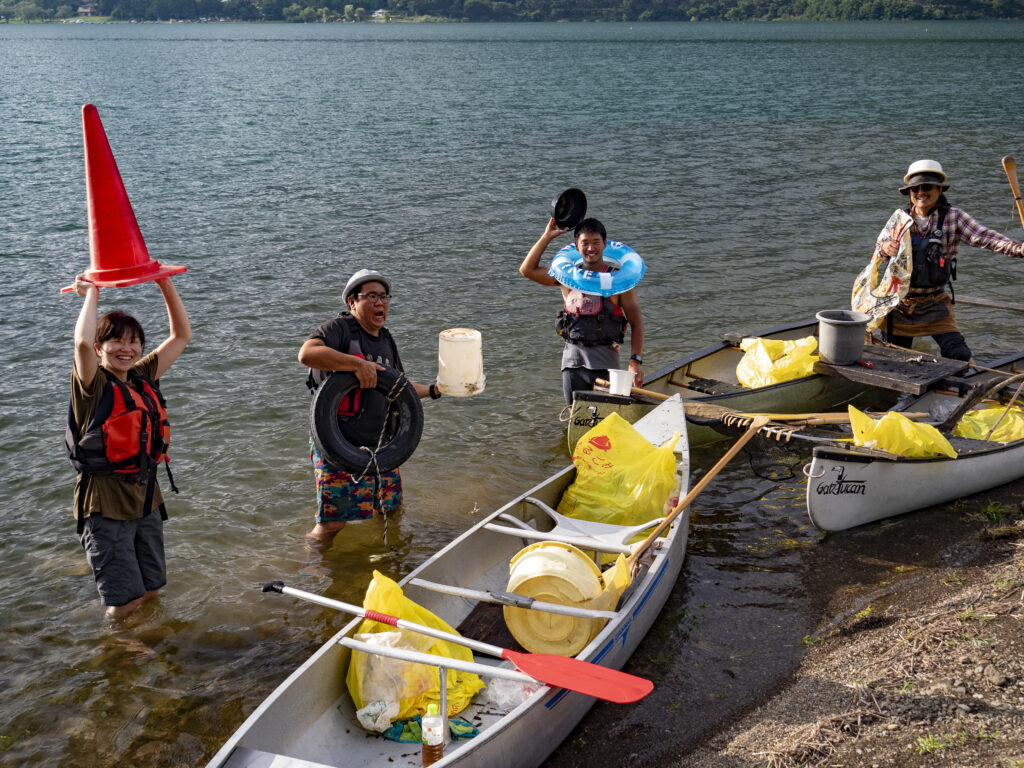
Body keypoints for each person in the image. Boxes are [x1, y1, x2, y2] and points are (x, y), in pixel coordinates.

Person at [67, 276, 192, 619]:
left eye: (134, 341)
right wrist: (92, 293)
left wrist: (163, 281)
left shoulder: (141, 376)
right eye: (116, 341)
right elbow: (80, 344)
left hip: (146, 496)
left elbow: (181, 336)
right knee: (123, 601)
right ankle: (119, 652)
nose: (127, 349)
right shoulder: (92, 385)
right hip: (105, 503)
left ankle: (150, 638)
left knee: (151, 589)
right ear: (99, 347)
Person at [298, 269, 439, 547]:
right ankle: (314, 572)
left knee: (389, 509)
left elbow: (400, 388)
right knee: (331, 524)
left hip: (382, 447)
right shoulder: (339, 329)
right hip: (340, 446)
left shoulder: (386, 339)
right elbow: (307, 354)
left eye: (384, 297)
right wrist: (357, 364)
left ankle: (381, 558)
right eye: (371, 296)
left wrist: (436, 390)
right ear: (352, 302)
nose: (380, 303)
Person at [875, 159, 1024, 361]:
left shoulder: (954, 217)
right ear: (909, 193)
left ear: (939, 190)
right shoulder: (899, 219)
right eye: (914, 189)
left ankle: (962, 388)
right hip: (898, 304)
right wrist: (885, 248)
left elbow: (986, 238)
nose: (920, 192)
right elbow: (878, 251)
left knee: (959, 354)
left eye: (926, 187)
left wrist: (1019, 249)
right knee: (895, 359)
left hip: (934, 303)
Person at [520, 217, 644, 404]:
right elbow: (527, 270)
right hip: (572, 364)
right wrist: (547, 236)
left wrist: (635, 361)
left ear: (605, 244)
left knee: (607, 417)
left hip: (606, 364)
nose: (590, 248)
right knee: (576, 417)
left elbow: (636, 322)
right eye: (585, 243)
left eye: (595, 242)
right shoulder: (566, 277)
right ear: (576, 246)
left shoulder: (618, 282)